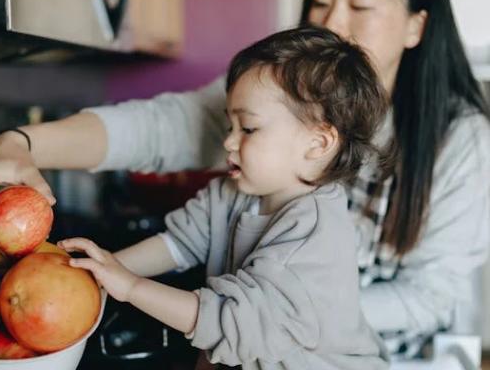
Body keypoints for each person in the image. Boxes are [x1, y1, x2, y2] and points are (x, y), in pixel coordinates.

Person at [0, 0, 490, 360]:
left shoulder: (456, 140)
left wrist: (278, 305)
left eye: (361, 3)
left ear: (418, 23)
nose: (332, 20)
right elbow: (172, 163)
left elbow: (425, 297)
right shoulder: (262, 133)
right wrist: (23, 145)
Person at [58, 26, 391, 369]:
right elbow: (179, 243)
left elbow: (227, 322)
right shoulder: (233, 193)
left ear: (317, 144)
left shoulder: (313, 237)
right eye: (230, 126)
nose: (229, 142)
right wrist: (102, 272)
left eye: (248, 128)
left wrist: (130, 287)